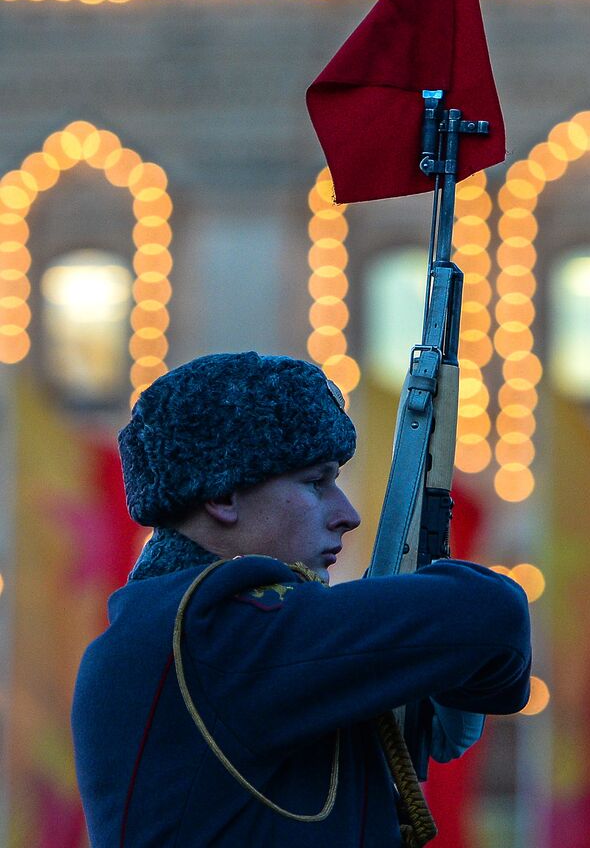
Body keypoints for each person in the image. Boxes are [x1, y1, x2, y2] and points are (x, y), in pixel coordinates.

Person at [71, 351, 531, 846]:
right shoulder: (213, 627)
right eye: (316, 482)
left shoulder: (177, 627)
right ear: (223, 495)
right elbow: (493, 614)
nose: (347, 514)